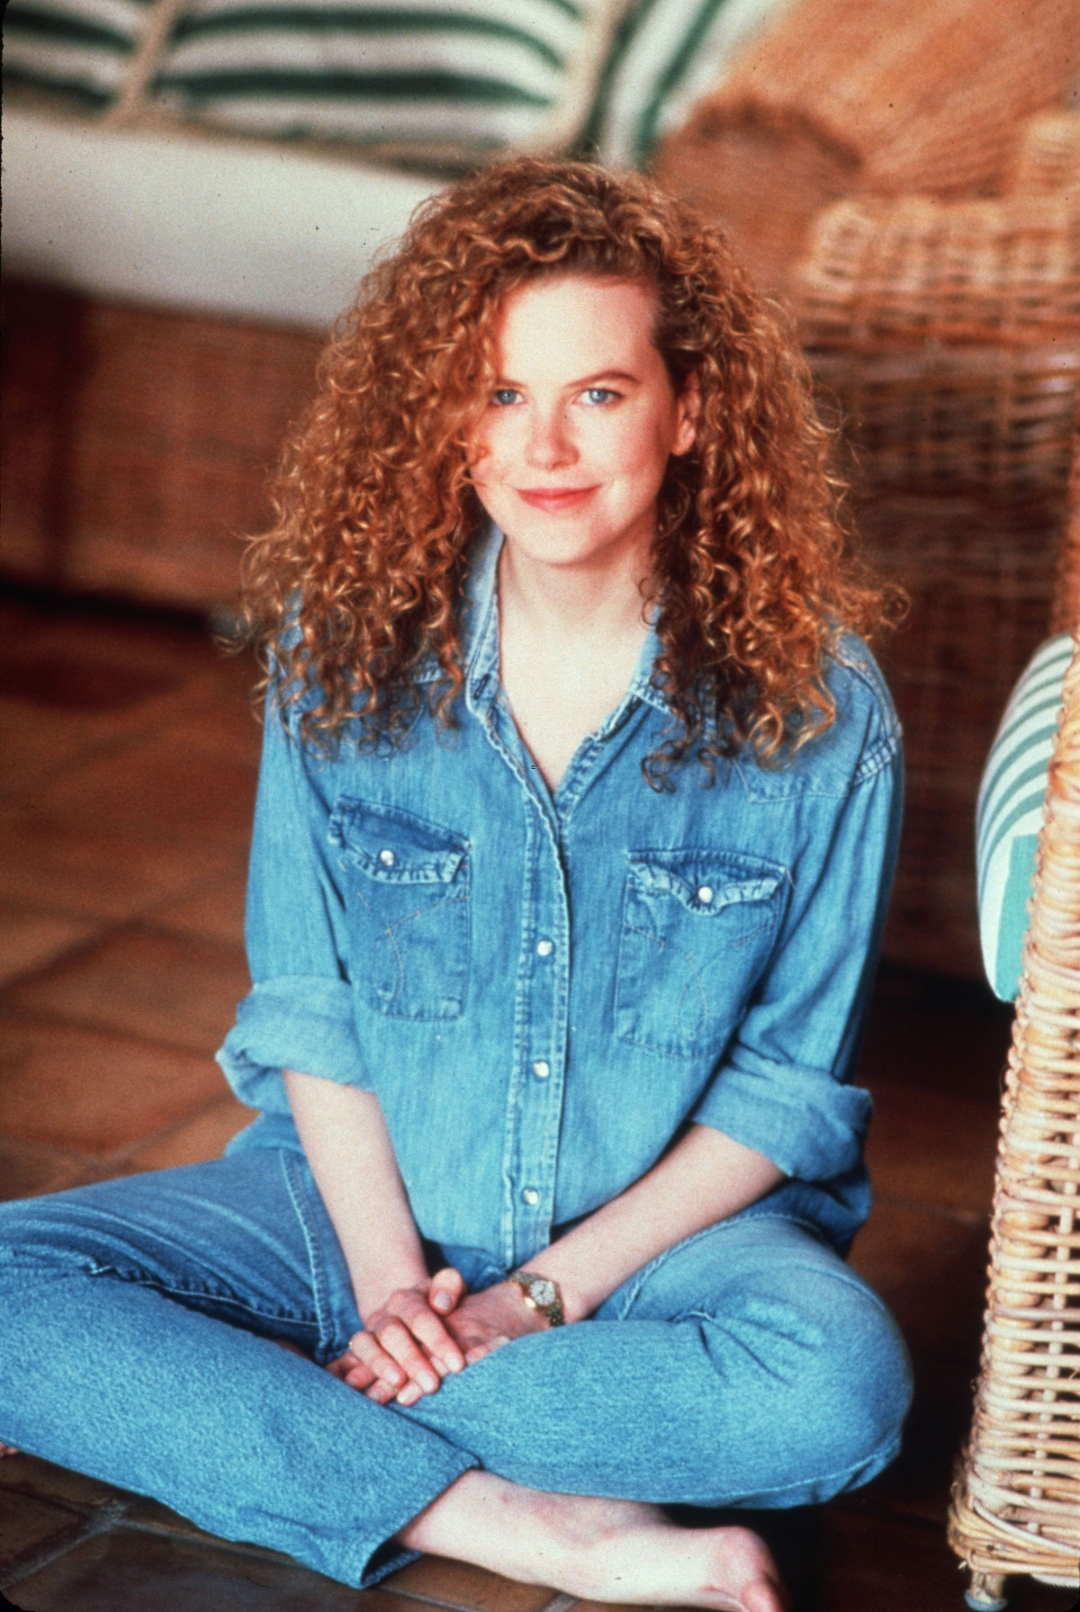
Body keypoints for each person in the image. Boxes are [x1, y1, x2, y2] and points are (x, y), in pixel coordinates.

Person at [0, 159, 912, 1612]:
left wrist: (523, 1303)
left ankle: (257, 1411)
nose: (544, 443)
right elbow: (310, 1005)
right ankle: (521, 1522)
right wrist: (388, 1291)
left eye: (598, 393)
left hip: (665, 1252)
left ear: (690, 412)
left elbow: (786, 1091)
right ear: (444, 421)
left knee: (839, 1393)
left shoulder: (816, 708)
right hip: (355, 1207)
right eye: (496, 393)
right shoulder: (345, 655)